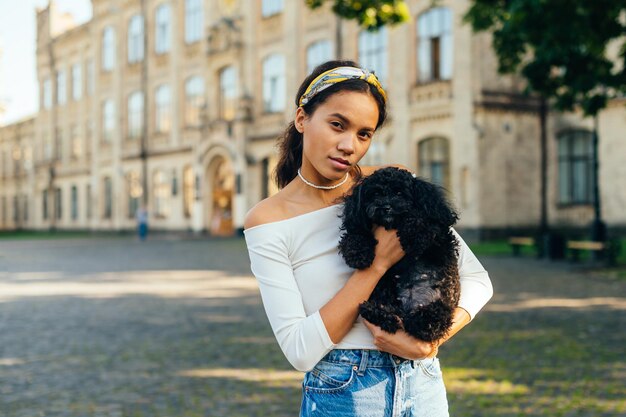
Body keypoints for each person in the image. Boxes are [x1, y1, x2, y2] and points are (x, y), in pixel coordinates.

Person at [243, 60, 493, 417]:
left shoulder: (389, 187)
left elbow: (477, 279)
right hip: (342, 392)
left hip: (422, 384)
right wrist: (377, 265)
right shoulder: (269, 220)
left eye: (364, 134)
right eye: (337, 125)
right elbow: (299, 350)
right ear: (302, 119)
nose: (349, 145)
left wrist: (430, 342)